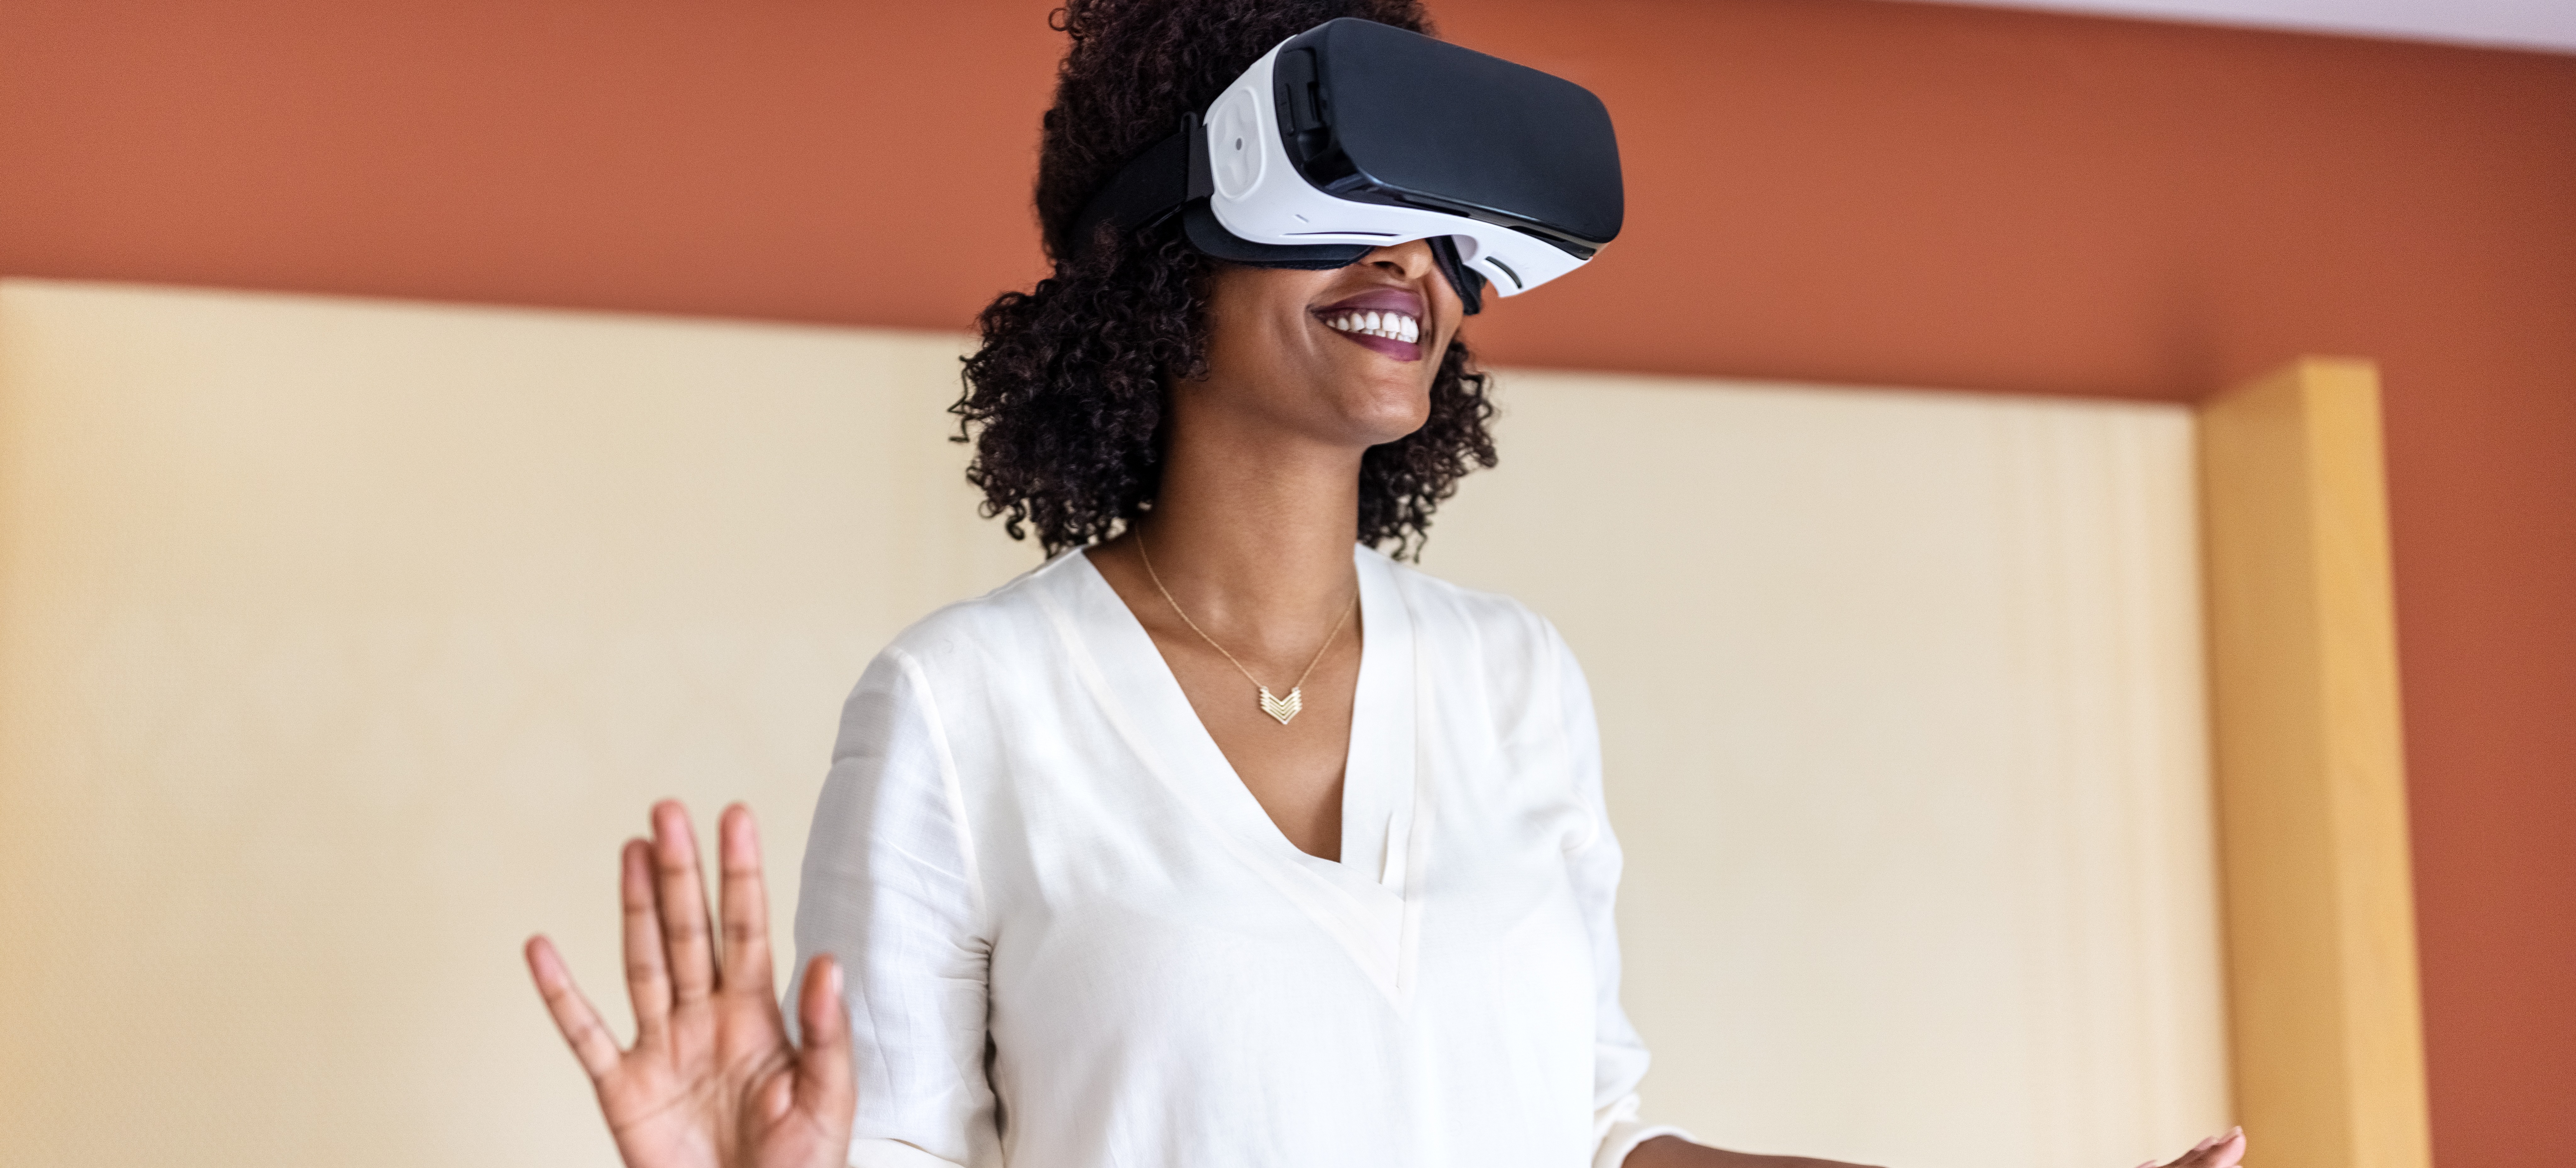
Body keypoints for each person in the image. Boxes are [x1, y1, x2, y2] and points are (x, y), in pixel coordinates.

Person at [521, 3, 2259, 1167]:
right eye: (1346, 196)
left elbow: (1591, 1143)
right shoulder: (963, 711)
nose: (1407, 265)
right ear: (1168, 245)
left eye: (1439, 225)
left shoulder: (1516, 682)